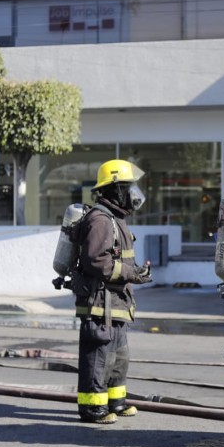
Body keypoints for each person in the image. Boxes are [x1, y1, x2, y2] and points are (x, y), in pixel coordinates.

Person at [75, 159, 152, 424]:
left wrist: (135, 272)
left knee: (118, 356)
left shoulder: (116, 219)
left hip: (116, 301)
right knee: (98, 356)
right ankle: (92, 407)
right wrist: (132, 274)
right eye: (128, 188)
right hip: (100, 302)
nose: (134, 194)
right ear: (115, 190)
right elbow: (97, 261)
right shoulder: (100, 220)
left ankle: (115, 402)